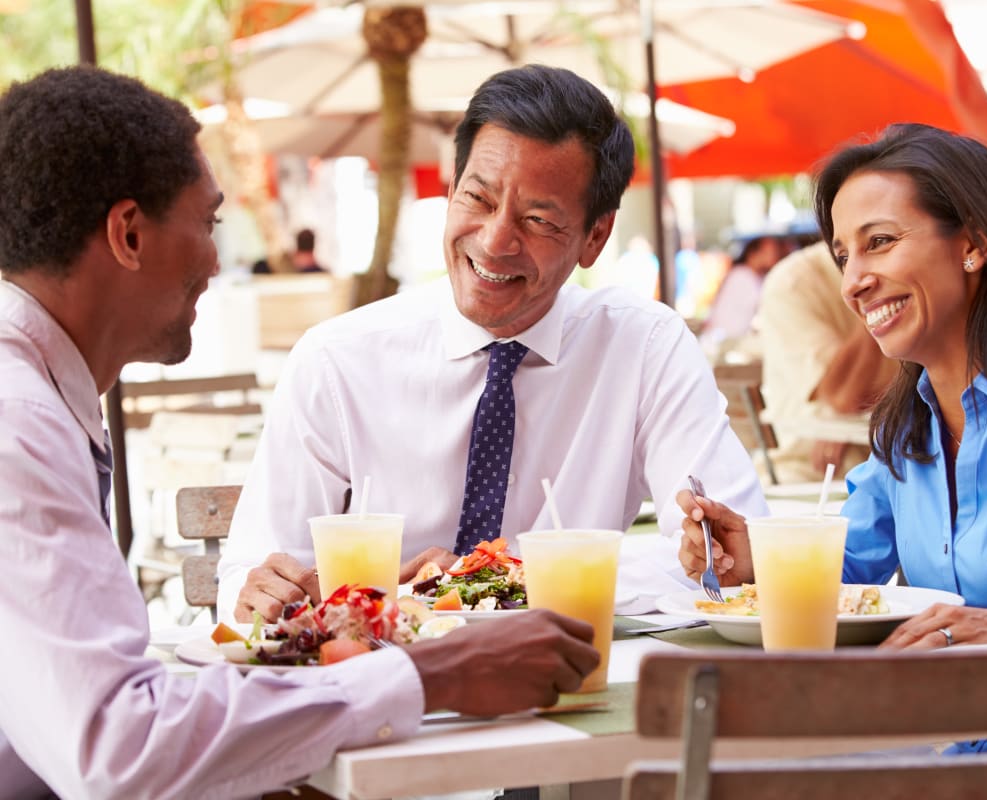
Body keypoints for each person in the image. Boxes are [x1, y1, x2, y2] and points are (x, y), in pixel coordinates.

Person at [0, 65, 603, 798]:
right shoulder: (18, 424)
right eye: (209, 222)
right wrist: (437, 671)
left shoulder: (37, 398)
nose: (217, 261)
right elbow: (119, 748)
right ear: (129, 233)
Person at [218, 64, 767, 624]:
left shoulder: (644, 346)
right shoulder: (337, 362)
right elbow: (253, 573)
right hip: (382, 675)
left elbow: (734, 550)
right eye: (477, 199)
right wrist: (261, 590)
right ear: (452, 188)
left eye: (536, 220)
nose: (496, 240)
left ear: (595, 237)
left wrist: (502, 579)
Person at [677, 124, 987, 711]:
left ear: (972, 243)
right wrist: (752, 557)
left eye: (879, 241)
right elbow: (850, 569)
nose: (853, 283)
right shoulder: (905, 434)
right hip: (935, 742)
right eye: (844, 256)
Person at [757, 240, 898, 482]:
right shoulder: (794, 282)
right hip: (807, 472)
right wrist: (877, 301)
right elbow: (842, 397)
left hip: (895, 464)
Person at [699, 234, 783, 345]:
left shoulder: (752, 276)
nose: (773, 256)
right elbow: (767, 307)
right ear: (753, 253)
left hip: (725, 342)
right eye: (769, 252)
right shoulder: (742, 275)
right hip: (721, 343)